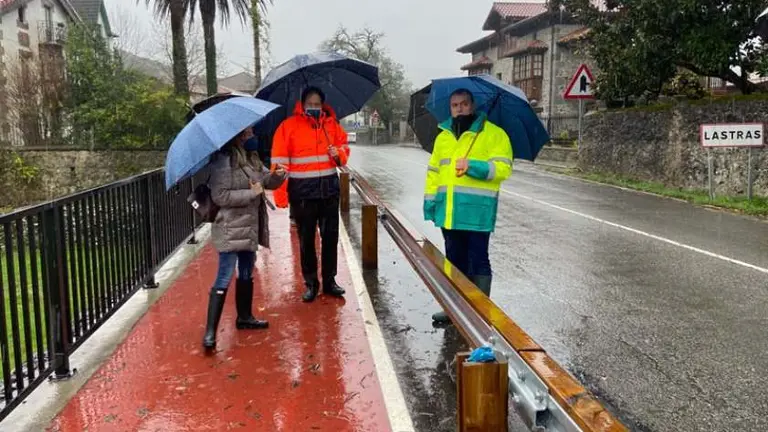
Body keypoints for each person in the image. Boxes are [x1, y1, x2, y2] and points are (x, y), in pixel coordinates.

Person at [423, 88, 513, 324]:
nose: (459, 108)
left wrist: (473, 166)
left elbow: (503, 169)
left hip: (477, 212)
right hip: (449, 211)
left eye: (464, 104)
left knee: (478, 260)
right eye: (455, 105)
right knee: (454, 260)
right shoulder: (443, 136)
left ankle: (480, 311)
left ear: (472, 106)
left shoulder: (494, 134)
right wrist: (430, 203)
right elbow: (434, 172)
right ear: (450, 109)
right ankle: (453, 308)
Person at [203, 127, 287, 349]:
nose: (253, 136)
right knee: (224, 275)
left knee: (247, 272)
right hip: (230, 227)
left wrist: (277, 176)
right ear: (238, 136)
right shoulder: (224, 161)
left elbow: (265, 181)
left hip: (249, 226)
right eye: (248, 133)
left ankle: (245, 317)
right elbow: (220, 196)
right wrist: (253, 192)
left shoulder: (253, 158)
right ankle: (210, 332)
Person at [270, 86, 350, 302]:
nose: (314, 108)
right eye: (310, 104)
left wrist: (338, 153)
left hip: (329, 191)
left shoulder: (331, 126)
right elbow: (279, 163)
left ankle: (330, 281)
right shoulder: (288, 127)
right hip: (302, 194)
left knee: (330, 238)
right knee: (306, 241)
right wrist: (280, 195)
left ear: (322, 105)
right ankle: (311, 283)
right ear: (302, 105)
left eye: (317, 104)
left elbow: (344, 154)